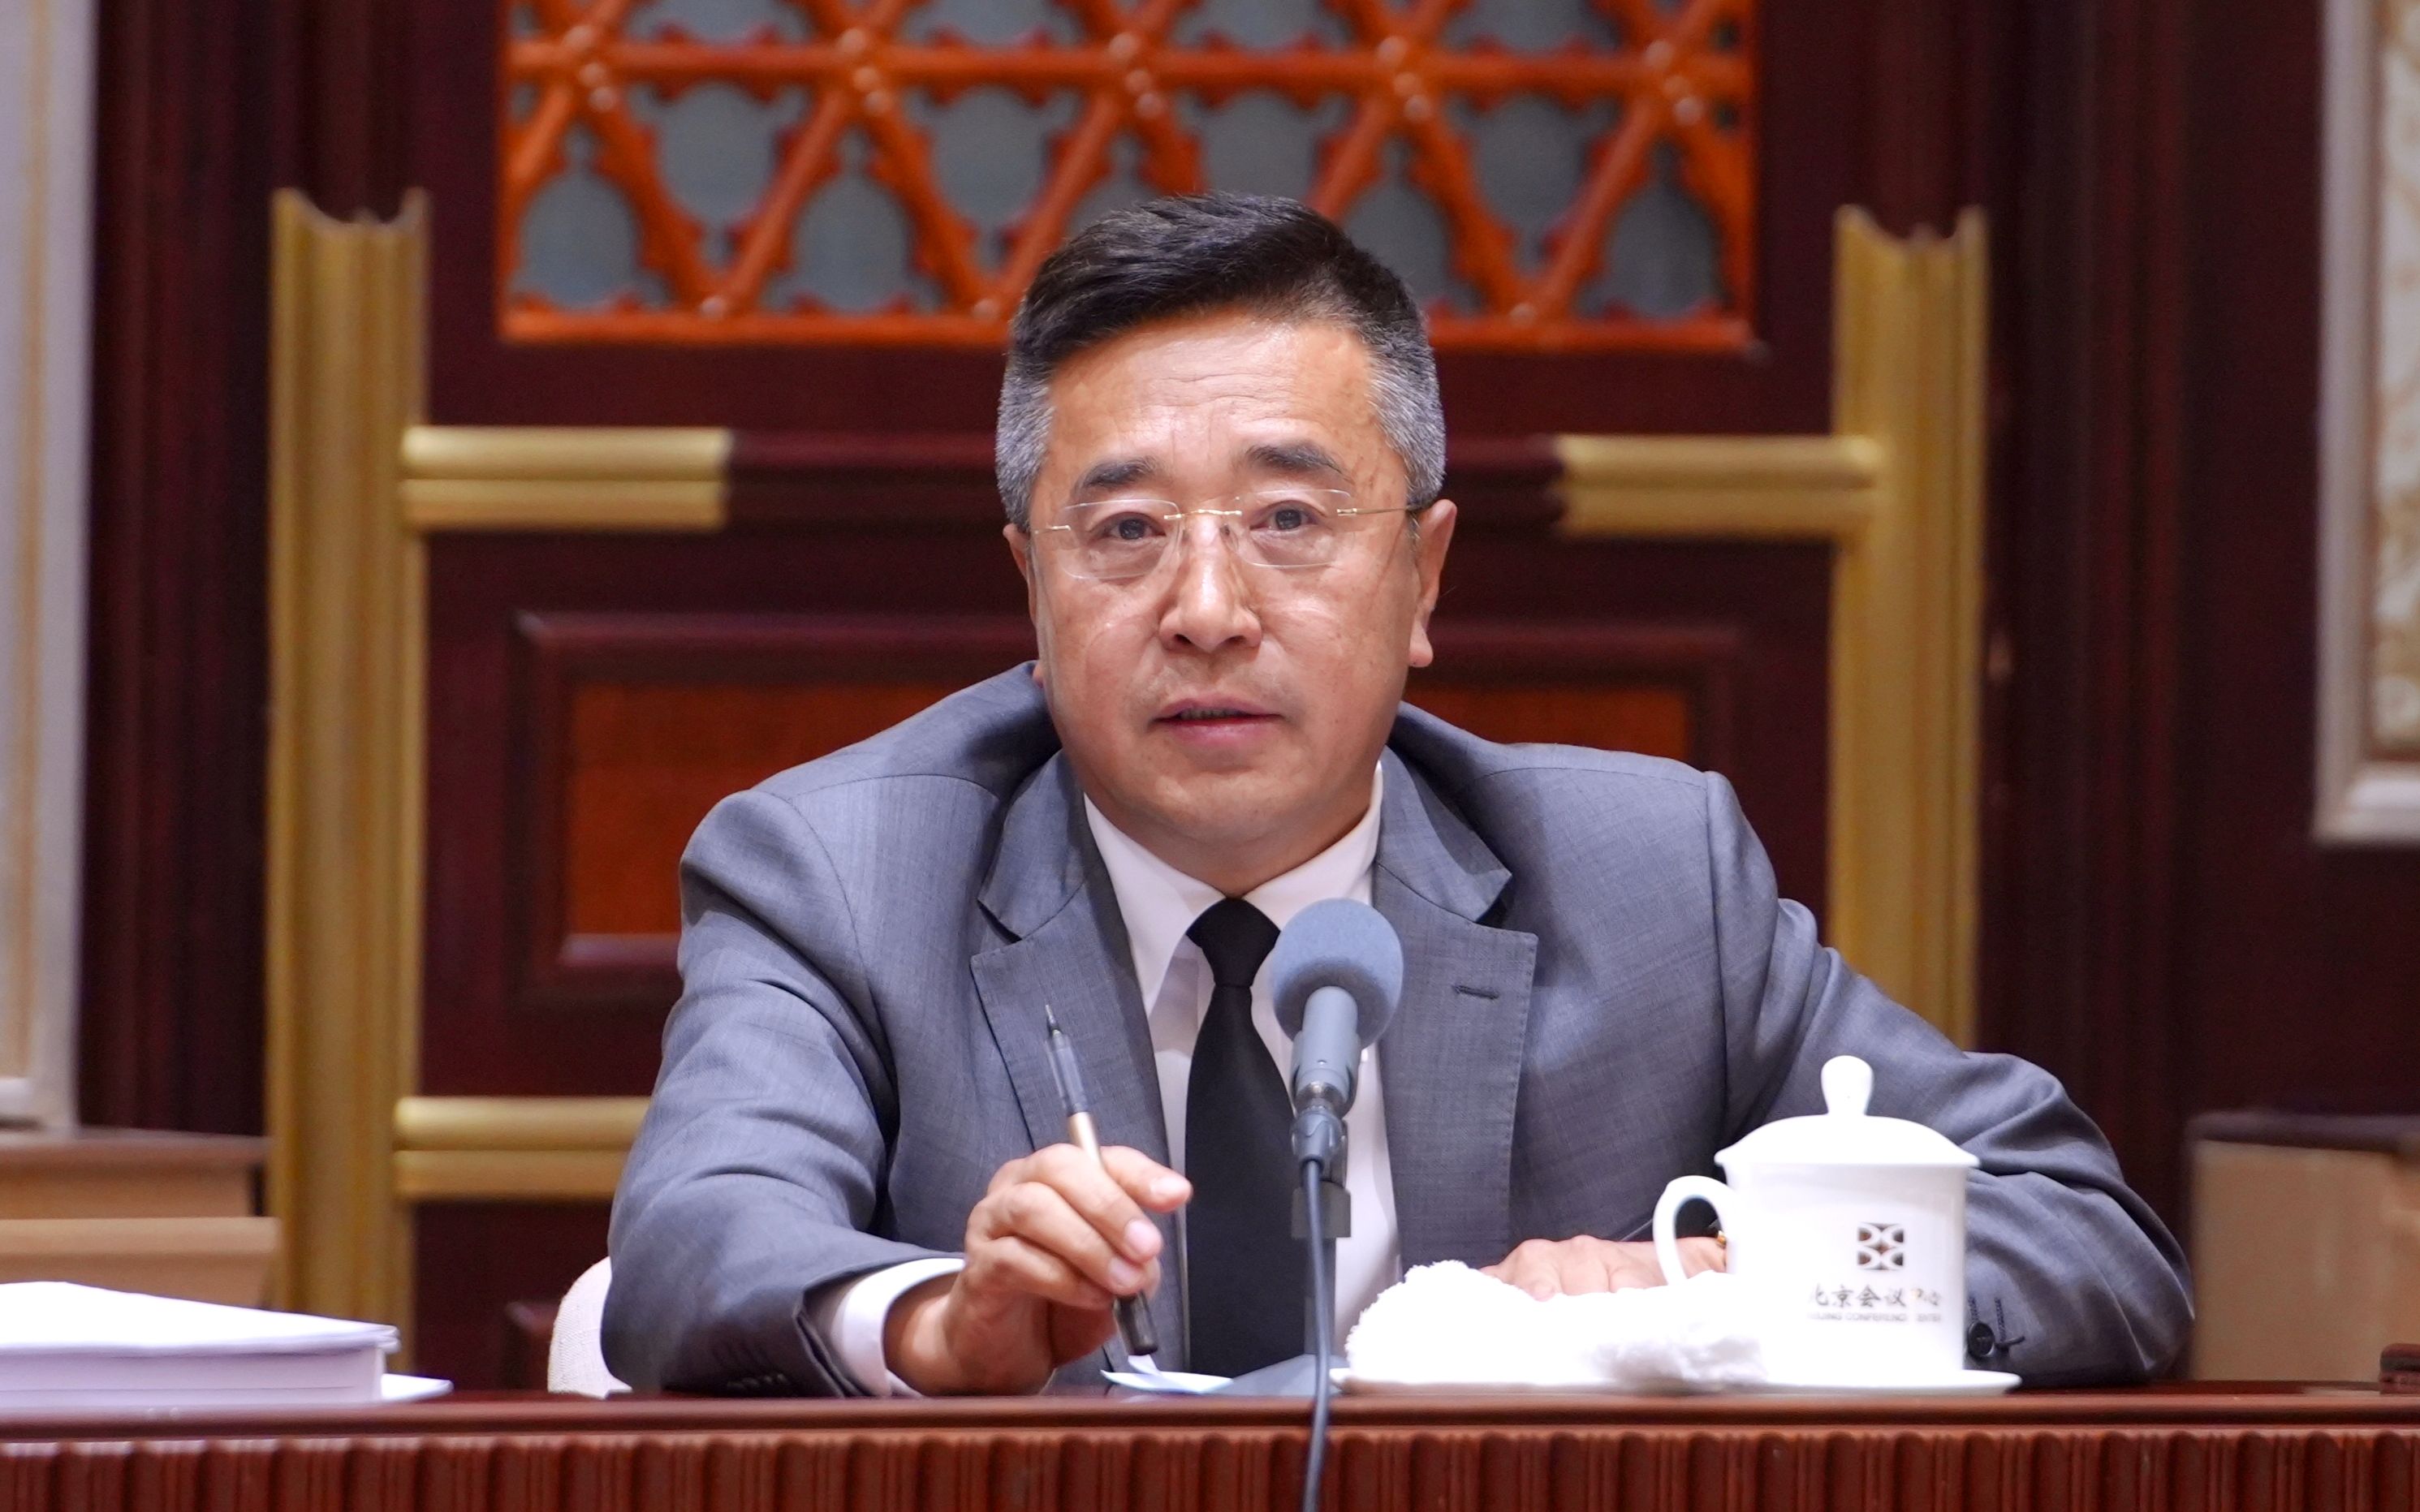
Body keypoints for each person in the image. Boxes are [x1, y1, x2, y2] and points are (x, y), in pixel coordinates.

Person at [602, 193, 2190, 1397]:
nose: (1206, 607)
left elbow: (2086, 1239)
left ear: (1423, 575)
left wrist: (1704, 1281)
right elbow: (693, 1244)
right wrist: (944, 1324)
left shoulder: (1644, 878)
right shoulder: (843, 869)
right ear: (1032, 583)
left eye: (1288, 520)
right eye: (1128, 532)